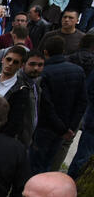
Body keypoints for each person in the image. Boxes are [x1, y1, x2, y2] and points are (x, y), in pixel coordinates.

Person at [30, 35, 87, 175]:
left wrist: (63, 128)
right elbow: (82, 101)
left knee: (35, 164)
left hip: (45, 127)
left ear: (45, 52)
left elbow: (46, 105)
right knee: (48, 162)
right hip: (63, 128)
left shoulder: (44, 74)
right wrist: (70, 127)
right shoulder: (78, 71)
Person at [0, 45, 34, 147]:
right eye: (8, 59)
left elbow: (15, 123)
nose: (10, 64)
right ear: (2, 60)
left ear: (21, 66)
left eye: (15, 62)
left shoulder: (21, 90)